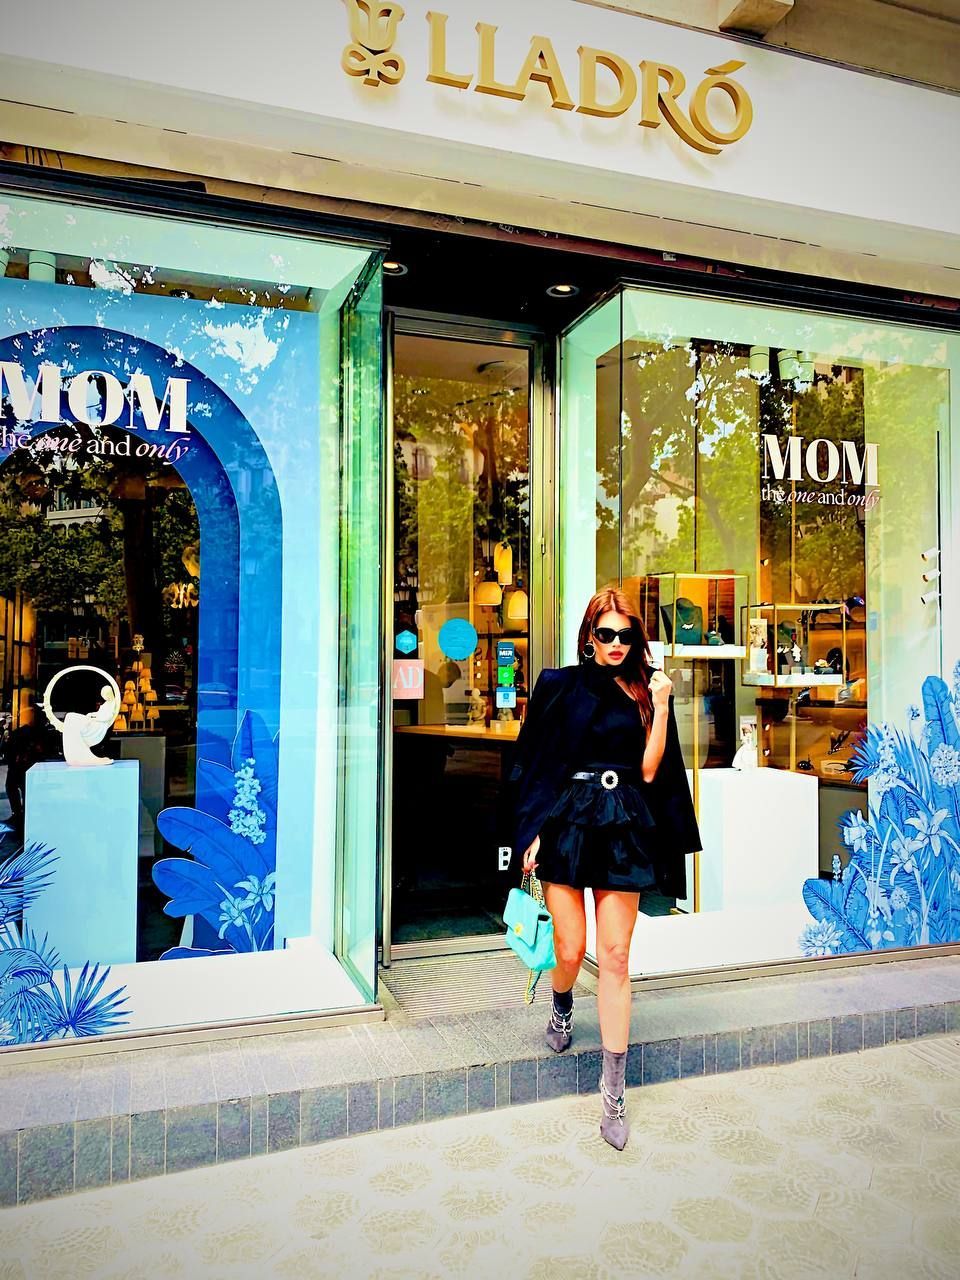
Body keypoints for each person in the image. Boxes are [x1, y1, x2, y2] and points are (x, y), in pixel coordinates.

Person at [504, 587, 701, 1149]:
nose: (616, 644)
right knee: (570, 948)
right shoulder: (559, 685)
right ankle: (562, 1002)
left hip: (621, 824)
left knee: (614, 956)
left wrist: (662, 704)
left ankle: (613, 1094)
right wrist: (530, 831)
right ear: (589, 636)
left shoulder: (644, 691)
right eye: (606, 633)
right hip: (567, 820)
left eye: (625, 635)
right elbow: (531, 761)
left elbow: (650, 769)